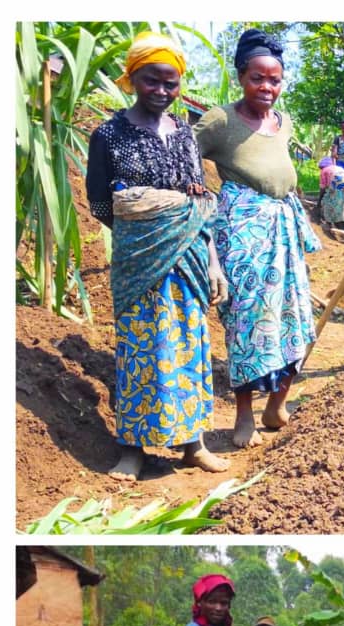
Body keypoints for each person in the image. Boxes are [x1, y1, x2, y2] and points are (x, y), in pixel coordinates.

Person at [85, 30, 229, 481]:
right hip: (138, 260)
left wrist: (190, 218)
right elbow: (101, 203)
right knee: (139, 349)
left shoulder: (185, 132)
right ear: (132, 78)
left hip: (187, 256)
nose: (162, 92)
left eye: (171, 83)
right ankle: (132, 447)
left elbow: (198, 194)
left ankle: (192, 443)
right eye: (152, 81)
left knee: (189, 343)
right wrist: (146, 229)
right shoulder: (108, 134)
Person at [195, 29, 320, 449]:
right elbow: (185, 159)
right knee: (248, 322)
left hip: (283, 231)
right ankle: (244, 413)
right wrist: (206, 199)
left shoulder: (282, 123)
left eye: (275, 80)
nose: (267, 88)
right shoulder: (220, 120)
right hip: (242, 234)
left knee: (295, 319)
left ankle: (277, 404)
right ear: (240, 77)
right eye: (257, 79)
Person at [318, 156, 344, 231]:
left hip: (340, 184)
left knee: (329, 201)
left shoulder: (324, 170)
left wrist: (319, 202)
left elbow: (322, 188)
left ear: (321, 166)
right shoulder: (338, 168)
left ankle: (334, 221)